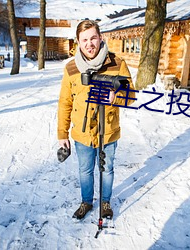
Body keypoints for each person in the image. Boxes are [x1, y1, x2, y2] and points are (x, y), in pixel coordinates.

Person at [57, 20, 136, 220]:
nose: (89, 44)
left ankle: (105, 202)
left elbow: (132, 96)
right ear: (78, 42)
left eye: (93, 38)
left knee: (106, 169)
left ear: (101, 38)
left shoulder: (117, 64)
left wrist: (115, 97)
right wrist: (62, 134)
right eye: (85, 40)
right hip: (82, 133)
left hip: (108, 131)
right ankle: (86, 202)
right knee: (85, 170)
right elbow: (65, 102)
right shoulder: (71, 68)